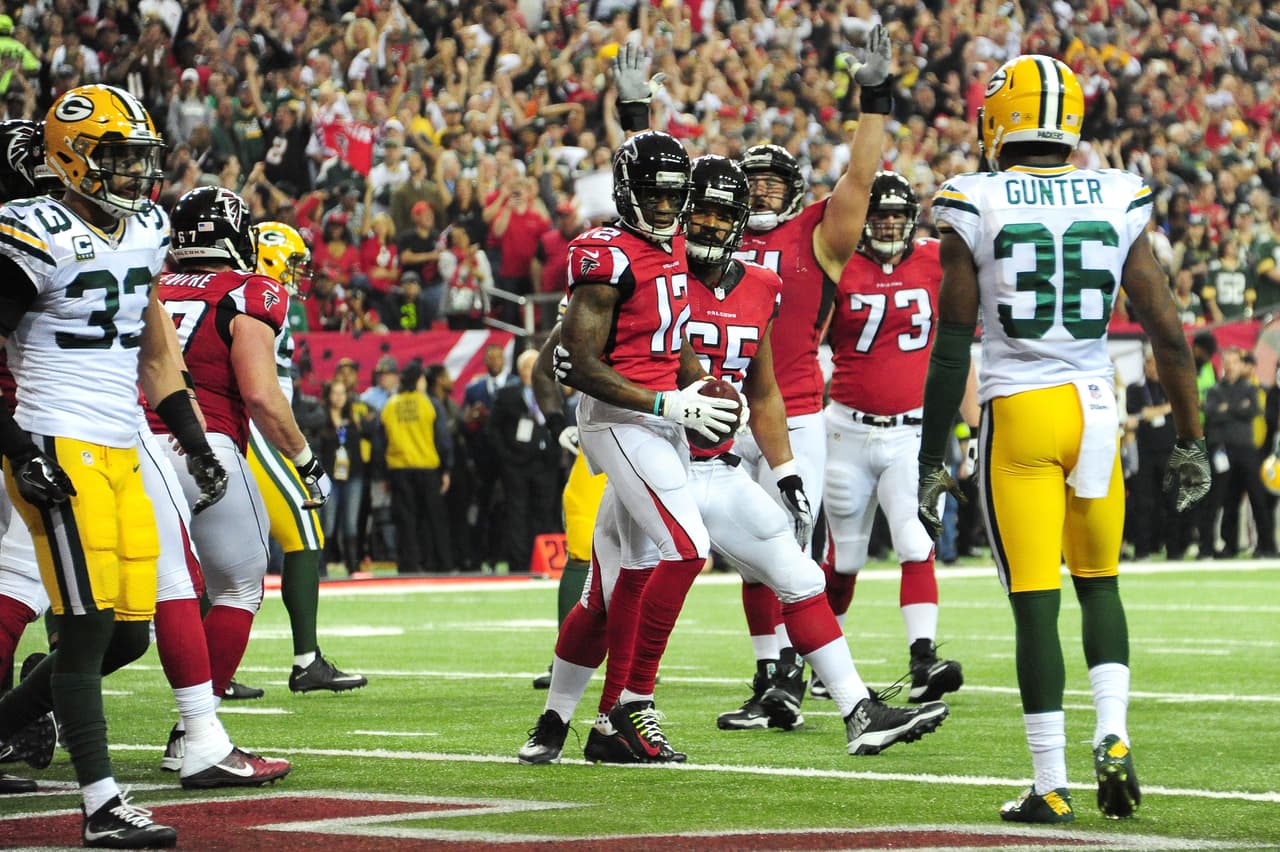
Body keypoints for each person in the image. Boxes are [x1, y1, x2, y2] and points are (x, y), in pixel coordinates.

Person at [520, 155, 948, 765]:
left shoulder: (758, 284)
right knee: (609, 600)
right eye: (700, 211)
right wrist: (587, 408)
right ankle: (574, 716)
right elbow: (566, 357)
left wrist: (784, 468)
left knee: (799, 574)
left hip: (712, 464)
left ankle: (859, 711)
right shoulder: (644, 259)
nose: (709, 224)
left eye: (724, 215)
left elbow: (761, 388)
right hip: (649, 450)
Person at [916, 56, 1211, 824]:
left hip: (1021, 412)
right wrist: (1190, 437)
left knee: (1035, 603)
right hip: (1097, 408)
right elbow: (1167, 331)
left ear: (999, 118)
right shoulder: (1116, 192)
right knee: (1101, 583)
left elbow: (952, 346)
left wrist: (930, 457)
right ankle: (1112, 732)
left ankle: (1050, 782)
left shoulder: (974, 198)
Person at [0, 85, 227, 847]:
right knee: (85, 623)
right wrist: (17, 449)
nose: (134, 172)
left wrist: (194, 439)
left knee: (129, 634)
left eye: (139, 157)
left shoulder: (149, 228)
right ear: (71, 158)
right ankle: (101, 806)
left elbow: (155, 353)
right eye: (117, 157)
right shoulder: (32, 229)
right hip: (56, 441)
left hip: (123, 445)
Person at [717, 24, 894, 729]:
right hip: (723, 415)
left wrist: (874, 102)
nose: (760, 191)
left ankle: (791, 676)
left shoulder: (816, 234)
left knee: (790, 545)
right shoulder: (713, 235)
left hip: (793, 414)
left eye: (772, 182)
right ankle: (770, 674)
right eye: (751, 182)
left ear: (793, 192)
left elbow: (861, 179)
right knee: (748, 555)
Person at [152, 187, 338, 720]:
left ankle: (37, 704)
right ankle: (198, 730)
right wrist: (306, 461)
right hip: (203, 444)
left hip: (131, 444)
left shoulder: (152, 284)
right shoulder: (250, 291)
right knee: (237, 585)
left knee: (119, 601)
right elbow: (260, 395)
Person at [812, 172, 964, 709]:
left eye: (898, 216)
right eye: (880, 216)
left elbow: (961, 341)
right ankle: (822, 663)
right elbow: (808, 339)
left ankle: (923, 660)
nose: (889, 225)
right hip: (846, 430)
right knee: (845, 557)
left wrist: (967, 424)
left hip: (913, 433)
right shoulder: (839, 263)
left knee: (916, 541)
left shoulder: (935, 259)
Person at [247, 221, 367, 693]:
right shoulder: (258, 296)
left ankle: (214, 671)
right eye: (293, 262)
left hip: (237, 429)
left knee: (231, 557)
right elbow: (259, 389)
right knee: (305, 529)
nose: (299, 273)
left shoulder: (258, 296)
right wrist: (298, 453)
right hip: (251, 429)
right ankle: (306, 660)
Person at [488, 349, 560, 574]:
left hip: (545, 465)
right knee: (517, 514)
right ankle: (519, 564)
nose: (533, 371)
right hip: (516, 465)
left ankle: (541, 561)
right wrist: (506, 457)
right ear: (520, 371)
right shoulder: (507, 394)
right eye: (528, 367)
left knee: (544, 512)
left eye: (536, 366)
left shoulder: (552, 391)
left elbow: (559, 423)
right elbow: (493, 429)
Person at [381, 362, 452, 574]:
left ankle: (409, 565)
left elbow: (380, 442)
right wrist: (446, 469)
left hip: (399, 469)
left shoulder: (390, 405)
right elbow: (443, 439)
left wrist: (382, 474)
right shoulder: (429, 403)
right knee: (433, 519)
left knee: (405, 521)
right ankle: (440, 563)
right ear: (419, 380)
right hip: (427, 468)